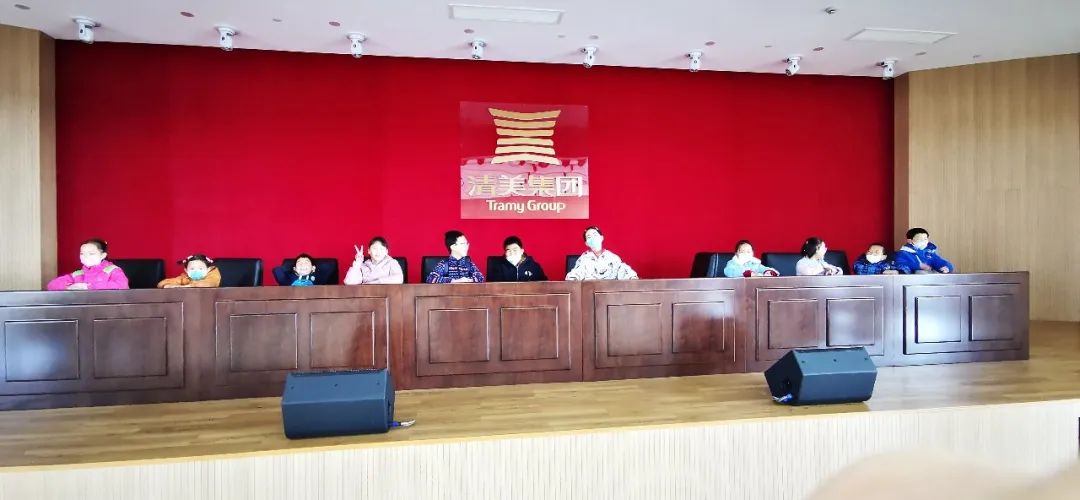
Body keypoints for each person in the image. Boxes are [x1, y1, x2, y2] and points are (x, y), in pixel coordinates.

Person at [47, 238, 129, 290]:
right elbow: (51, 285)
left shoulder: (113, 270)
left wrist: (89, 287)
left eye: (91, 253)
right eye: (82, 253)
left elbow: (122, 286)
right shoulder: (78, 274)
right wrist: (69, 287)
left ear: (103, 255)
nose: (85, 256)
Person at [565, 226, 638, 280]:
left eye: (595, 235)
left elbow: (625, 271)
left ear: (601, 238)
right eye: (589, 237)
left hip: (609, 292)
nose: (593, 238)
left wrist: (632, 277)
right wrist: (573, 279)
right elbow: (576, 274)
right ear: (586, 243)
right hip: (589, 292)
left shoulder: (612, 257)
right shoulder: (583, 259)